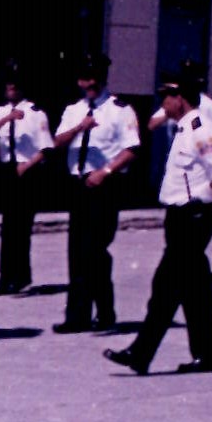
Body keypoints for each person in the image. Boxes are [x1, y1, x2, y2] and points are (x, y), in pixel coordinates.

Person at [105, 71, 212, 375]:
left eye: (167, 96)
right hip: (180, 217)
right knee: (194, 290)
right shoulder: (184, 128)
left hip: (192, 217)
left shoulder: (202, 129)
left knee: (165, 287)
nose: (163, 102)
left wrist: (204, 208)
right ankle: (210, 356)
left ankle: (140, 353)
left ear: (181, 98)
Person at [52, 51, 141, 334]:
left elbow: (131, 149)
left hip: (105, 186)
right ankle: (77, 316)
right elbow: (56, 142)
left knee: (95, 250)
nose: (86, 84)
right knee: (77, 252)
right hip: (78, 185)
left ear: (101, 79)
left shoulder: (120, 110)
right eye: (82, 79)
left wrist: (105, 172)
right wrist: (80, 127)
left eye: (91, 79)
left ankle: (104, 312)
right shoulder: (74, 110)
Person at [0, 63, 53, 295]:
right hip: (6, 169)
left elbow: (46, 148)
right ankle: (5, 277)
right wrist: (7, 119)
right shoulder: (1, 111)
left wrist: (26, 166)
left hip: (26, 170)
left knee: (21, 226)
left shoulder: (35, 113)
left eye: (15, 84)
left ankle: (20, 276)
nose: (11, 88)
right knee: (8, 226)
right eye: (8, 84)